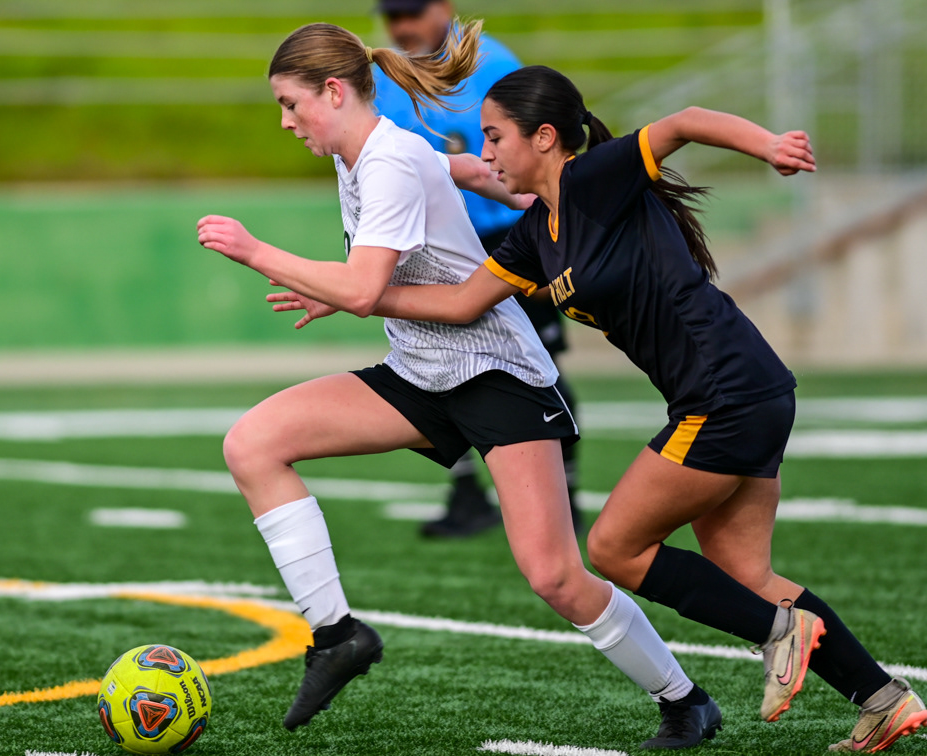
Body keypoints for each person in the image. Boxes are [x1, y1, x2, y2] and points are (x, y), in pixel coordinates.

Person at [372, 64, 927, 752]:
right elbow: (458, 304)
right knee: (748, 577)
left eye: (494, 138)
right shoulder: (533, 236)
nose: (486, 154)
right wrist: (357, 292)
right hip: (739, 390)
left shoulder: (591, 180)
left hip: (726, 390)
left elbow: (686, 120)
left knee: (612, 547)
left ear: (545, 138)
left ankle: (780, 631)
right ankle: (883, 697)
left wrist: (770, 145)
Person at [197, 22, 721, 749]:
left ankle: (686, 699)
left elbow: (365, 285)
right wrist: (339, 286)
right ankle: (337, 636)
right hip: (420, 373)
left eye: (291, 104)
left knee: (557, 579)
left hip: (496, 377)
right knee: (253, 444)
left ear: (335, 91)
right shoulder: (369, 152)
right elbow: (463, 176)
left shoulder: (384, 162)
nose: (286, 122)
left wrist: (259, 253)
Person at [374, 0, 581, 537]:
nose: (402, 26)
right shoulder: (389, 72)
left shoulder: (495, 66)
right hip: (433, 241)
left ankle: (566, 496)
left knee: (536, 361)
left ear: (443, 7)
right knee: (435, 367)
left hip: (503, 232)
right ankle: (467, 494)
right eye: (392, 15)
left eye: (412, 11)